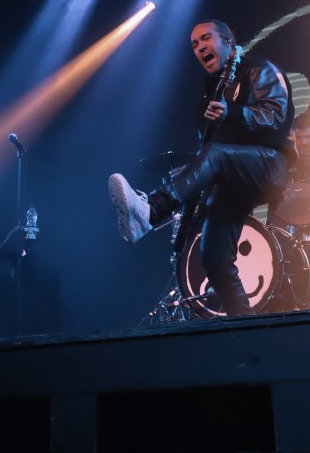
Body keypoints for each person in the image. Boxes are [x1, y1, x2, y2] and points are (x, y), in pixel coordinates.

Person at [108, 20, 296, 316]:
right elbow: (213, 148)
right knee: (213, 256)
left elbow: (276, 114)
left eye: (205, 38)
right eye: (194, 44)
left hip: (269, 165)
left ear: (228, 40)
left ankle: (151, 210)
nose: (199, 48)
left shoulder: (257, 68)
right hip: (231, 177)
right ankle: (243, 326)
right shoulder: (211, 91)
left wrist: (233, 114)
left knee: (216, 156)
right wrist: (191, 172)